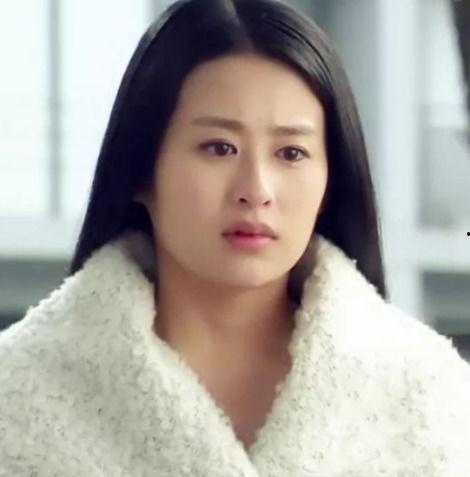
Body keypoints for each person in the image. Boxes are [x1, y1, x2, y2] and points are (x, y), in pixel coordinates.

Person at [1, 0, 469, 475]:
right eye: (219, 148)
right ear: (142, 168)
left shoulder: (431, 398)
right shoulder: (18, 397)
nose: (256, 190)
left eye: (291, 153)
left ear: (331, 179)